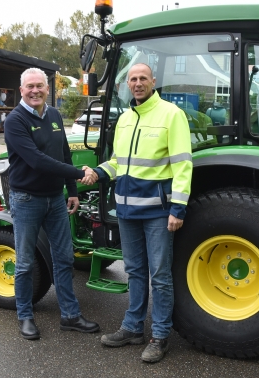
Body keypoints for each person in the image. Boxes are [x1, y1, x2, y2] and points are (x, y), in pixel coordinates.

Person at [81, 63, 192, 362]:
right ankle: (132, 328)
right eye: (133, 79)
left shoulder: (171, 115)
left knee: (160, 275)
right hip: (127, 211)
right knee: (135, 271)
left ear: (153, 81)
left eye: (143, 78)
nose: (138, 83)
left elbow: (183, 165)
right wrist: (99, 172)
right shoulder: (126, 119)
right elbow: (119, 162)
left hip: (157, 212)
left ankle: (160, 335)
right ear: (127, 84)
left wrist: (177, 208)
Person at [3, 67, 100, 340]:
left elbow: (64, 153)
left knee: (65, 258)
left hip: (56, 200)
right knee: (24, 264)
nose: (35, 91)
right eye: (30, 86)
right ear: (21, 90)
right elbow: (37, 161)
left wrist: (72, 190)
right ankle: (25, 316)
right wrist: (81, 174)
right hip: (26, 200)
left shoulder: (55, 114)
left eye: (40, 86)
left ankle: (70, 315)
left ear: (48, 88)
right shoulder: (15, 120)